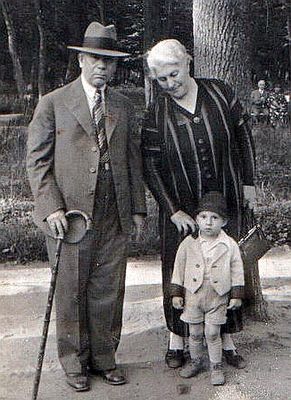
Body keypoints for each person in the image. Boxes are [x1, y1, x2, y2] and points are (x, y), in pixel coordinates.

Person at [26, 22, 146, 392]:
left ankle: (105, 358)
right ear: (81, 59)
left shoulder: (124, 107)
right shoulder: (54, 103)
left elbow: (133, 160)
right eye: (95, 59)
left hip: (114, 213)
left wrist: (138, 209)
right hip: (71, 218)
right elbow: (37, 162)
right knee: (72, 290)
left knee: (109, 288)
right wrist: (51, 209)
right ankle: (73, 362)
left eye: (109, 62)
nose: (102, 68)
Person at [141, 39, 255, 371]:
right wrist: (172, 209)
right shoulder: (157, 111)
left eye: (173, 74)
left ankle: (227, 340)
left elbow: (244, 137)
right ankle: (177, 341)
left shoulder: (220, 93)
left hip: (225, 199)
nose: (169, 84)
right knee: (181, 273)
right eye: (161, 80)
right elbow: (149, 164)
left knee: (226, 267)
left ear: (187, 63)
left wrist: (249, 183)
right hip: (182, 210)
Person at [171, 192, 244, 385]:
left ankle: (216, 366)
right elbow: (178, 268)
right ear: (196, 219)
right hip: (193, 296)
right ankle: (196, 361)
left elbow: (237, 270)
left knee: (212, 333)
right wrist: (176, 293)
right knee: (194, 332)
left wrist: (236, 295)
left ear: (224, 222)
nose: (208, 223)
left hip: (217, 296)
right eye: (203, 217)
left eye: (215, 218)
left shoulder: (229, 244)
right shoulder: (188, 243)